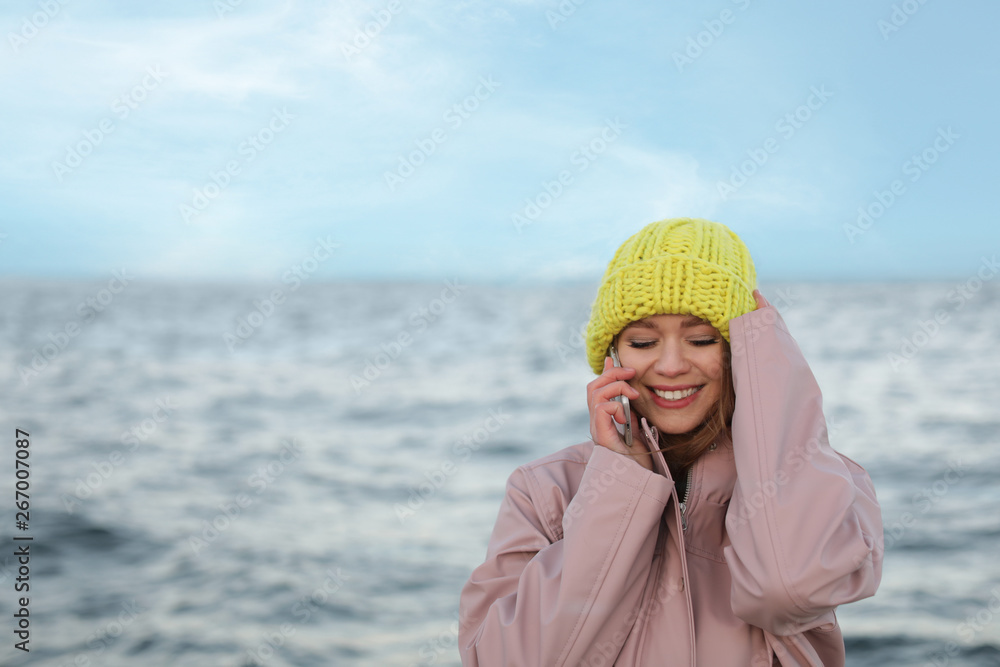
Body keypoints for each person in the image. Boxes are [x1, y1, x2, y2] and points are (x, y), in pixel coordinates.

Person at [457, 217, 883, 666]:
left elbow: (788, 588)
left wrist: (772, 375)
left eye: (701, 338)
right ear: (613, 356)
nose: (672, 365)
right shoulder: (543, 489)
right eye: (643, 341)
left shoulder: (831, 483)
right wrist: (619, 484)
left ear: (741, 350)